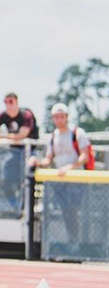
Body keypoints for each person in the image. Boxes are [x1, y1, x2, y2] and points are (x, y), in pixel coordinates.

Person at [28, 103, 93, 241]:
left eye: (61, 116)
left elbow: (84, 156)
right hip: (60, 181)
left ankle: (78, 241)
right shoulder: (53, 137)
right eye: (56, 117)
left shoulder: (77, 133)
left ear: (67, 117)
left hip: (76, 179)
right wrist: (37, 162)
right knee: (64, 211)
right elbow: (48, 159)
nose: (59, 120)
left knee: (74, 211)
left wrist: (70, 167)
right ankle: (67, 242)